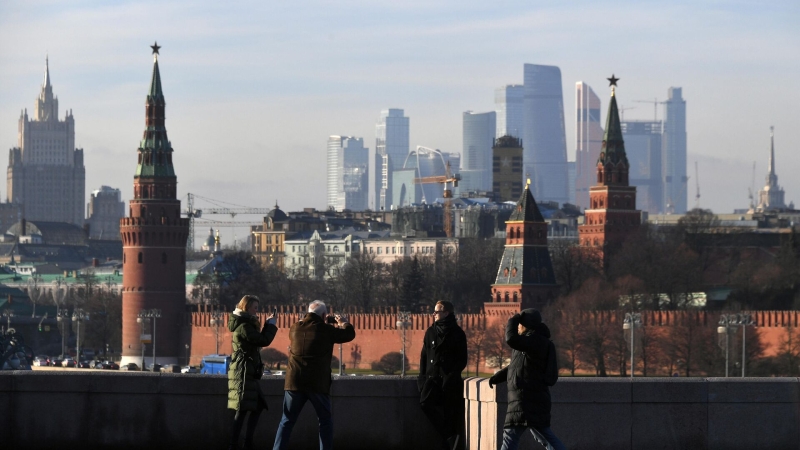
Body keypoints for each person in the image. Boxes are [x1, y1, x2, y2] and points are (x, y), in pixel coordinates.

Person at [272, 300, 356, 450]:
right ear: (324, 315)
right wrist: (343, 322)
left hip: (294, 381)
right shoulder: (326, 330)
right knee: (324, 421)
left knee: (287, 421)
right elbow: (349, 334)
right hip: (317, 384)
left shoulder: (295, 328)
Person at [488, 309, 565, 450]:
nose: (517, 326)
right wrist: (497, 378)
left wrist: (512, 320)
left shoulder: (534, 341)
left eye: (519, 323)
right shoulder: (530, 341)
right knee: (544, 436)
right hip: (529, 398)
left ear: (525, 324)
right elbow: (516, 366)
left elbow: (510, 339)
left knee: (511, 436)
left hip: (526, 398)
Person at [227, 295, 278, 450]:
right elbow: (263, 341)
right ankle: (235, 445)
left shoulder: (246, 324)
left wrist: (267, 325)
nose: (257, 310)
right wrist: (271, 325)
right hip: (243, 371)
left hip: (248, 371)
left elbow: (257, 339)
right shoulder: (244, 326)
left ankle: (245, 442)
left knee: (257, 405)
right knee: (242, 410)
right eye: (255, 307)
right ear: (246, 307)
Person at [418, 300, 468, 450]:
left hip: (450, 382)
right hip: (432, 379)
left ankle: (449, 444)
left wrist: (451, 376)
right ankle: (449, 437)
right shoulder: (431, 331)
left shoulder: (457, 333)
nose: (433, 314)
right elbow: (424, 356)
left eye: (436, 312)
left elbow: (462, 359)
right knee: (425, 403)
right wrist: (422, 379)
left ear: (446, 313)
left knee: (450, 415)